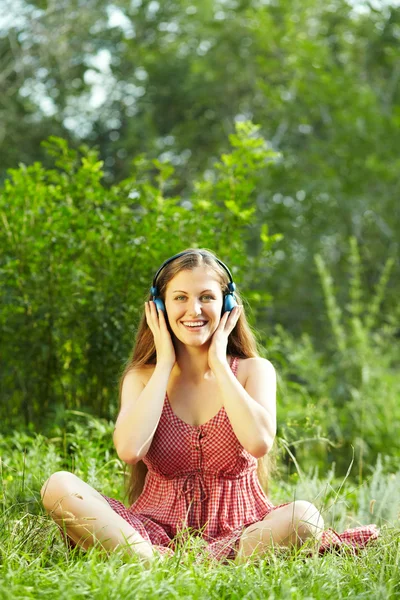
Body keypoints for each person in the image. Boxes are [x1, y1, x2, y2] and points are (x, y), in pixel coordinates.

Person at [41, 249, 379, 564]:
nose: (194, 310)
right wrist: (163, 366)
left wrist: (218, 361)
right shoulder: (141, 378)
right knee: (58, 486)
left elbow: (259, 442)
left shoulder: (253, 370)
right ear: (159, 307)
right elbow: (130, 450)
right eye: (180, 298)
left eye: (207, 297)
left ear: (227, 304)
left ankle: (179, 566)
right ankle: (152, 562)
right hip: (150, 533)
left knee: (304, 517)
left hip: (245, 535)